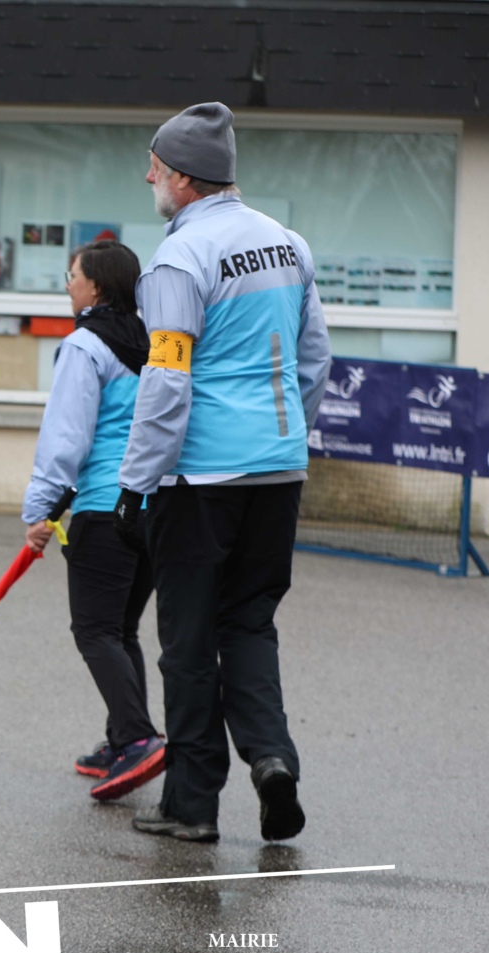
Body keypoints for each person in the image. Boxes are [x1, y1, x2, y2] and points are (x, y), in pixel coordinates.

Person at [112, 103, 330, 843]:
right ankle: (272, 759)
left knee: (187, 641)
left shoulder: (179, 260)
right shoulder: (288, 245)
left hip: (199, 481)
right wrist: (282, 436)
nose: (147, 177)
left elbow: (166, 380)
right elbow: (314, 360)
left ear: (182, 177)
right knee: (250, 623)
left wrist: (135, 481)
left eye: (154, 167)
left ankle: (191, 804)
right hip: (278, 470)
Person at [20, 240, 163, 802]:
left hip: (105, 508)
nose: (67, 284)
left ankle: (138, 739)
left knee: (96, 631)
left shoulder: (85, 344)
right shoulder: (154, 341)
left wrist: (39, 510)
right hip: (154, 508)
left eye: (72, 275)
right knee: (120, 629)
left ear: (96, 286)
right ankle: (122, 739)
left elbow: (67, 436)